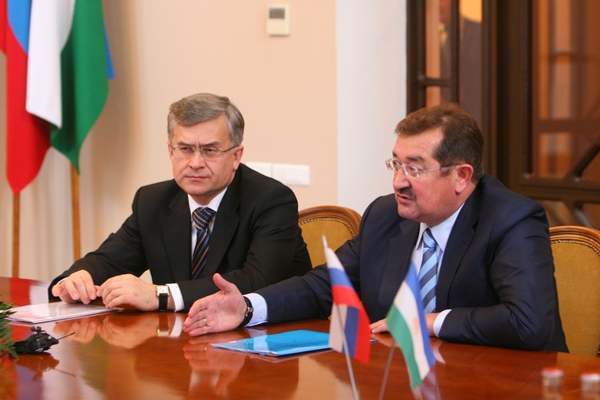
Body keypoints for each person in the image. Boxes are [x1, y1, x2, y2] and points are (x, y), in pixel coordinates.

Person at [183, 103, 568, 352]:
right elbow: (323, 287)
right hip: (400, 379)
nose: (399, 181)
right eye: (396, 164)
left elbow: (528, 321)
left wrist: (432, 322)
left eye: (415, 168)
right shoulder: (386, 215)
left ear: (461, 176)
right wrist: (247, 308)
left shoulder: (511, 219)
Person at [49, 93, 311, 312]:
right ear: (170, 151)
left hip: (261, 342)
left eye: (210, 150)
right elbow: (110, 261)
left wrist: (160, 295)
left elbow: (257, 281)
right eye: (185, 149)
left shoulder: (271, 200)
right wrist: (76, 280)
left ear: (236, 156)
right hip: (179, 341)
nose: (195, 163)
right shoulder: (152, 201)